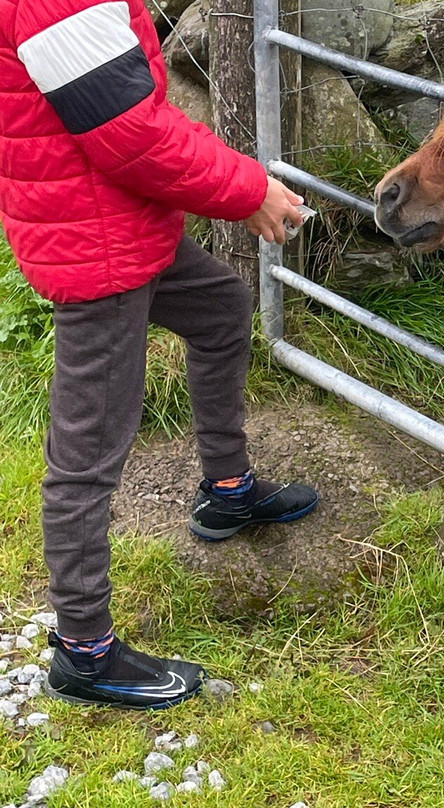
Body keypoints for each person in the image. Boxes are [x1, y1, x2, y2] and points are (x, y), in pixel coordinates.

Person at [0, 0, 320, 709]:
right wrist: (249, 191)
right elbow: (131, 133)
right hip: (98, 249)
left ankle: (228, 493)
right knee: (88, 453)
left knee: (220, 309)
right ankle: (84, 651)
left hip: (123, 221)